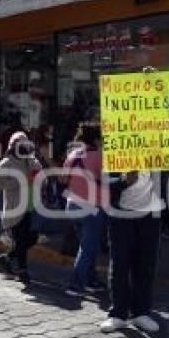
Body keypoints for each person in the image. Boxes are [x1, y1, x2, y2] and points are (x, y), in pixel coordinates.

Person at [100, 171, 165, 334]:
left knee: (146, 265)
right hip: (121, 215)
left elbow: (168, 175)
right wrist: (123, 180)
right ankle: (118, 314)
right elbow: (103, 184)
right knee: (119, 265)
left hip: (150, 216)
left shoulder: (157, 153)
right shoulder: (116, 151)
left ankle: (141, 312)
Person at [62, 123, 108, 297]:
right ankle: (74, 284)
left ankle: (90, 281)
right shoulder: (98, 156)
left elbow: (63, 179)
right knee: (88, 249)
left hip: (72, 205)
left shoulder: (73, 154)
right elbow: (107, 180)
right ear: (96, 139)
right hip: (91, 208)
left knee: (87, 246)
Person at [0, 131, 42, 287]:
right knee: (22, 240)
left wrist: (38, 175)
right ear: (13, 145)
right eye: (19, 143)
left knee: (31, 238)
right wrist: (22, 180)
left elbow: (40, 174)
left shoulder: (30, 159)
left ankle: (8, 258)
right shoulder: (6, 163)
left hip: (30, 207)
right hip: (15, 209)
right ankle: (22, 271)